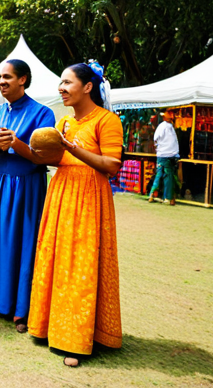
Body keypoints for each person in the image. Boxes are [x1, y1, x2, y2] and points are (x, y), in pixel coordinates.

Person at [27, 62, 123, 367]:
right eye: (60, 83)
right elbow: (56, 157)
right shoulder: (65, 122)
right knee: (55, 262)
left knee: (80, 267)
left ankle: (77, 339)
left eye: (68, 83)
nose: (61, 89)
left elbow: (111, 165)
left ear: (88, 87)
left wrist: (71, 147)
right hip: (61, 195)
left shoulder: (107, 121)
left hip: (90, 198)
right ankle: (48, 327)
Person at [0, 59, 56, 333]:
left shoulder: (43, 114)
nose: (1, 81)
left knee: (24, 243)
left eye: (7, 77)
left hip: (28, 186)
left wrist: (16, 143)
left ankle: (22, 309)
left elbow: (44, 158)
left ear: (23, 80)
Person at [148, 112, 180, 205]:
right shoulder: (168, 127)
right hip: (169, 155)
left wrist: (158, 148)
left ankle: (152, 194)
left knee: (159, 174)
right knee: (168, 175)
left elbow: (156, 139)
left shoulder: (162, 127)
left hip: (162, 154)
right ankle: (167, 197)